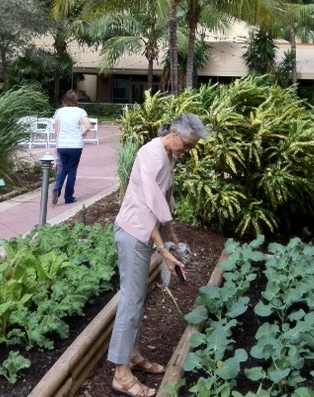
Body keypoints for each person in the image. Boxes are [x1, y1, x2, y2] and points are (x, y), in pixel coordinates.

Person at [108, 113, 208, 397]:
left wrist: (171, 235)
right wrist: (162, 249)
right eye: (187, 145)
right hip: (133, 232)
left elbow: (164, 200)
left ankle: (133, 354)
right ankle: (121, 374)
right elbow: (147, 204)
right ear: (174, 132)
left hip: (143, 231)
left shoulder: (167, 153)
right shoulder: (152, 154)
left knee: (137, 298)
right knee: (130, 300)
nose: (188, 151)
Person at [51, 89, 92, 205]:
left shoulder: (59, 112)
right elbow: (88, 125)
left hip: (62, 145)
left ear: (64, 99)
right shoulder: (80, 112)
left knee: (62, 168)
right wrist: (85, 132)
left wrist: (57, 142)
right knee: (72, 170)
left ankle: (56, 189)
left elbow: (55, 129)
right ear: (76, 100)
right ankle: (68, 197)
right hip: (75, 145)